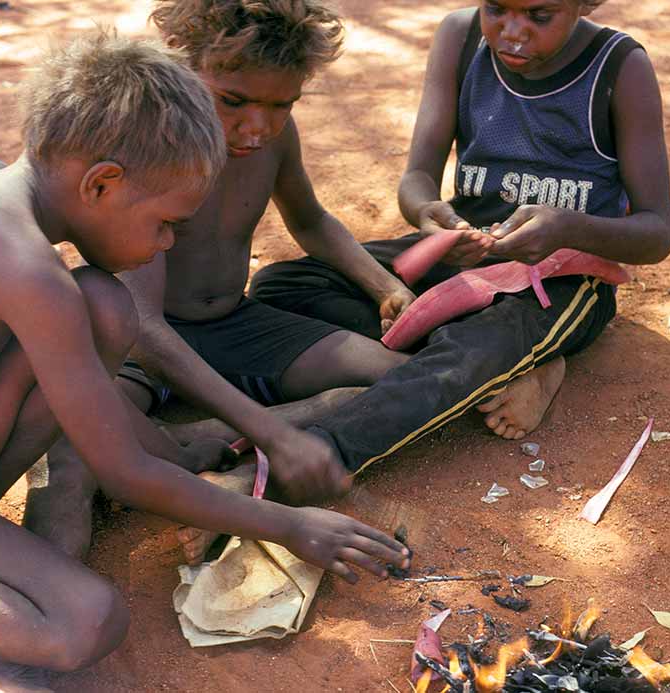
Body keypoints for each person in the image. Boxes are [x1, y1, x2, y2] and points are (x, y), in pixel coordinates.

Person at [0, 33, 408, 692]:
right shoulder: (28, 274)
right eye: (166, 222)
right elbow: (126, 472)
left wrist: (175, 458)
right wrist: (290, 524)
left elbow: (90, 402)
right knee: (88, 619)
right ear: (103, 183)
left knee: (105, 307)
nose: (167, 243)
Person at [24, 0, 423, 562]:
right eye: (232, 100)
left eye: (281, 104)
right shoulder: (152, 150)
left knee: (401, 379)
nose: (256, 127)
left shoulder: (273, 141)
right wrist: (273, 433)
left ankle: (198, 435)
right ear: (179, 69)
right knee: (69, 451)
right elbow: (142, 330)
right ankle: (46, 594)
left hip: (233, 323)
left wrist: (385, 286)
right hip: (138, 348)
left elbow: (308, 220)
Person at [251, 0, 670, 469]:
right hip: (461, 253)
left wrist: (567, 228)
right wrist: (427, 213)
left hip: (559, 278)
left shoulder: (619, 67)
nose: (513, 31)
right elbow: (417, 178)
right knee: (281, 286)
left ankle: (318, 450)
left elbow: (656, 233)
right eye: (496, 8)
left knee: (475, 349)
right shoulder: (461, 36)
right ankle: (511, 365)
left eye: (539, 16)